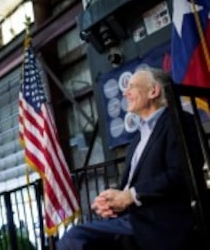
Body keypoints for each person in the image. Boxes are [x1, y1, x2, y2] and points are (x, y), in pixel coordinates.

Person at [56, 67, 204, 250]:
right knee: (75, 239)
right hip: (131, 219)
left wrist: (130, 196)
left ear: (153, 91)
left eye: (132, 86)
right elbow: (129, 188)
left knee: (75, 237)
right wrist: (113, 201)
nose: (125, 92)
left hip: (161, 222)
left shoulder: (178, 121)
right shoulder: (136, 140)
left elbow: (180, 174)